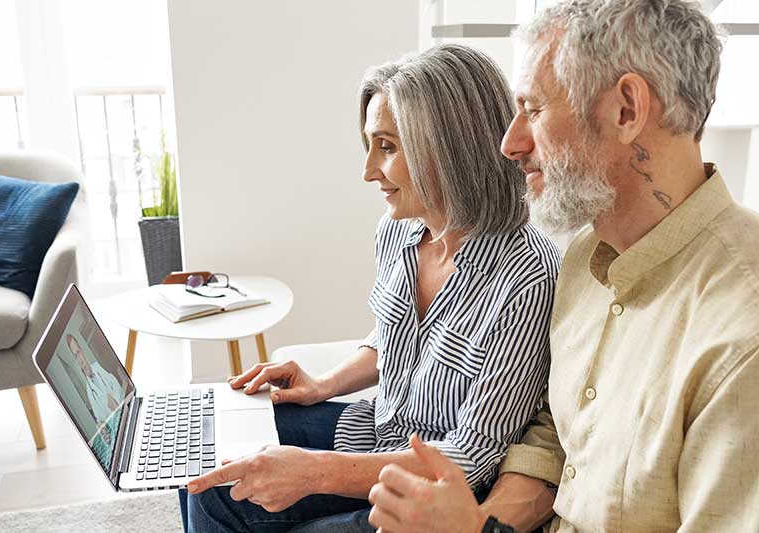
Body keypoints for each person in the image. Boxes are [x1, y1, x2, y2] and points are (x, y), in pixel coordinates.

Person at [367, 1, 759, 532]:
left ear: (626, 110)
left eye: (532, 109)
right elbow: (560, 429)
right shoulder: (581, 258)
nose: (509, 144)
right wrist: (484, 523)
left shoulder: (740, 341)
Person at [178, 44, 561, 532]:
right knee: (206, 460)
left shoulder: (526, 277)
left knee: (232, 497)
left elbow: (472, 455)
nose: (367, 171)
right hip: (375, 431)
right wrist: (326, 383)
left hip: (436, 491)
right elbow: (396, 336)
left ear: (448, 148)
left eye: (387, 146)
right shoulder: (398, 230)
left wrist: (314, 473)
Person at [66, 333, 122, 427]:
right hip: (117, 427)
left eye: (78, 352)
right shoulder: (89, 391)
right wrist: (100, 426)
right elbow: (99, 419)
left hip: (125, 411)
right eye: (75, 356)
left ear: (82, 351)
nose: (80, 360)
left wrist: (115, 401)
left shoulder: (100, 366)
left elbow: (117, 385)